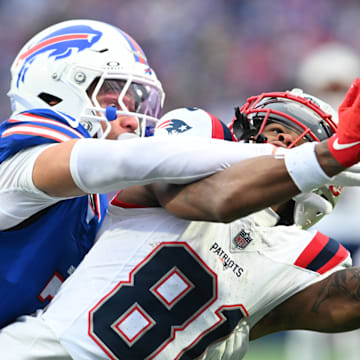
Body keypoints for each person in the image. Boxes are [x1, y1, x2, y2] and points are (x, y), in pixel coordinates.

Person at [2, 81, 360, 359]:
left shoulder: (299, 254)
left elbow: (346, 304)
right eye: (272, 124)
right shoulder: (198, 144)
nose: (276, 137)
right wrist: (327, 156)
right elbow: (211, 200)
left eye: (290, 131)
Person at [0, 19, 299, 329]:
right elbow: (134, 159)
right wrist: (285, 158)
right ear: (54, 93)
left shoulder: (97, 196)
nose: (132, 120)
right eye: (113, 99)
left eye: (134, 103)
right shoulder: (25, 155)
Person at [285, 42, 360, 360]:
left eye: (338, 87)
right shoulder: (305, 128)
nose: (332, 94)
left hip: (351, 228)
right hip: (314, 231)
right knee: (305, 324)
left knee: (351, 329)